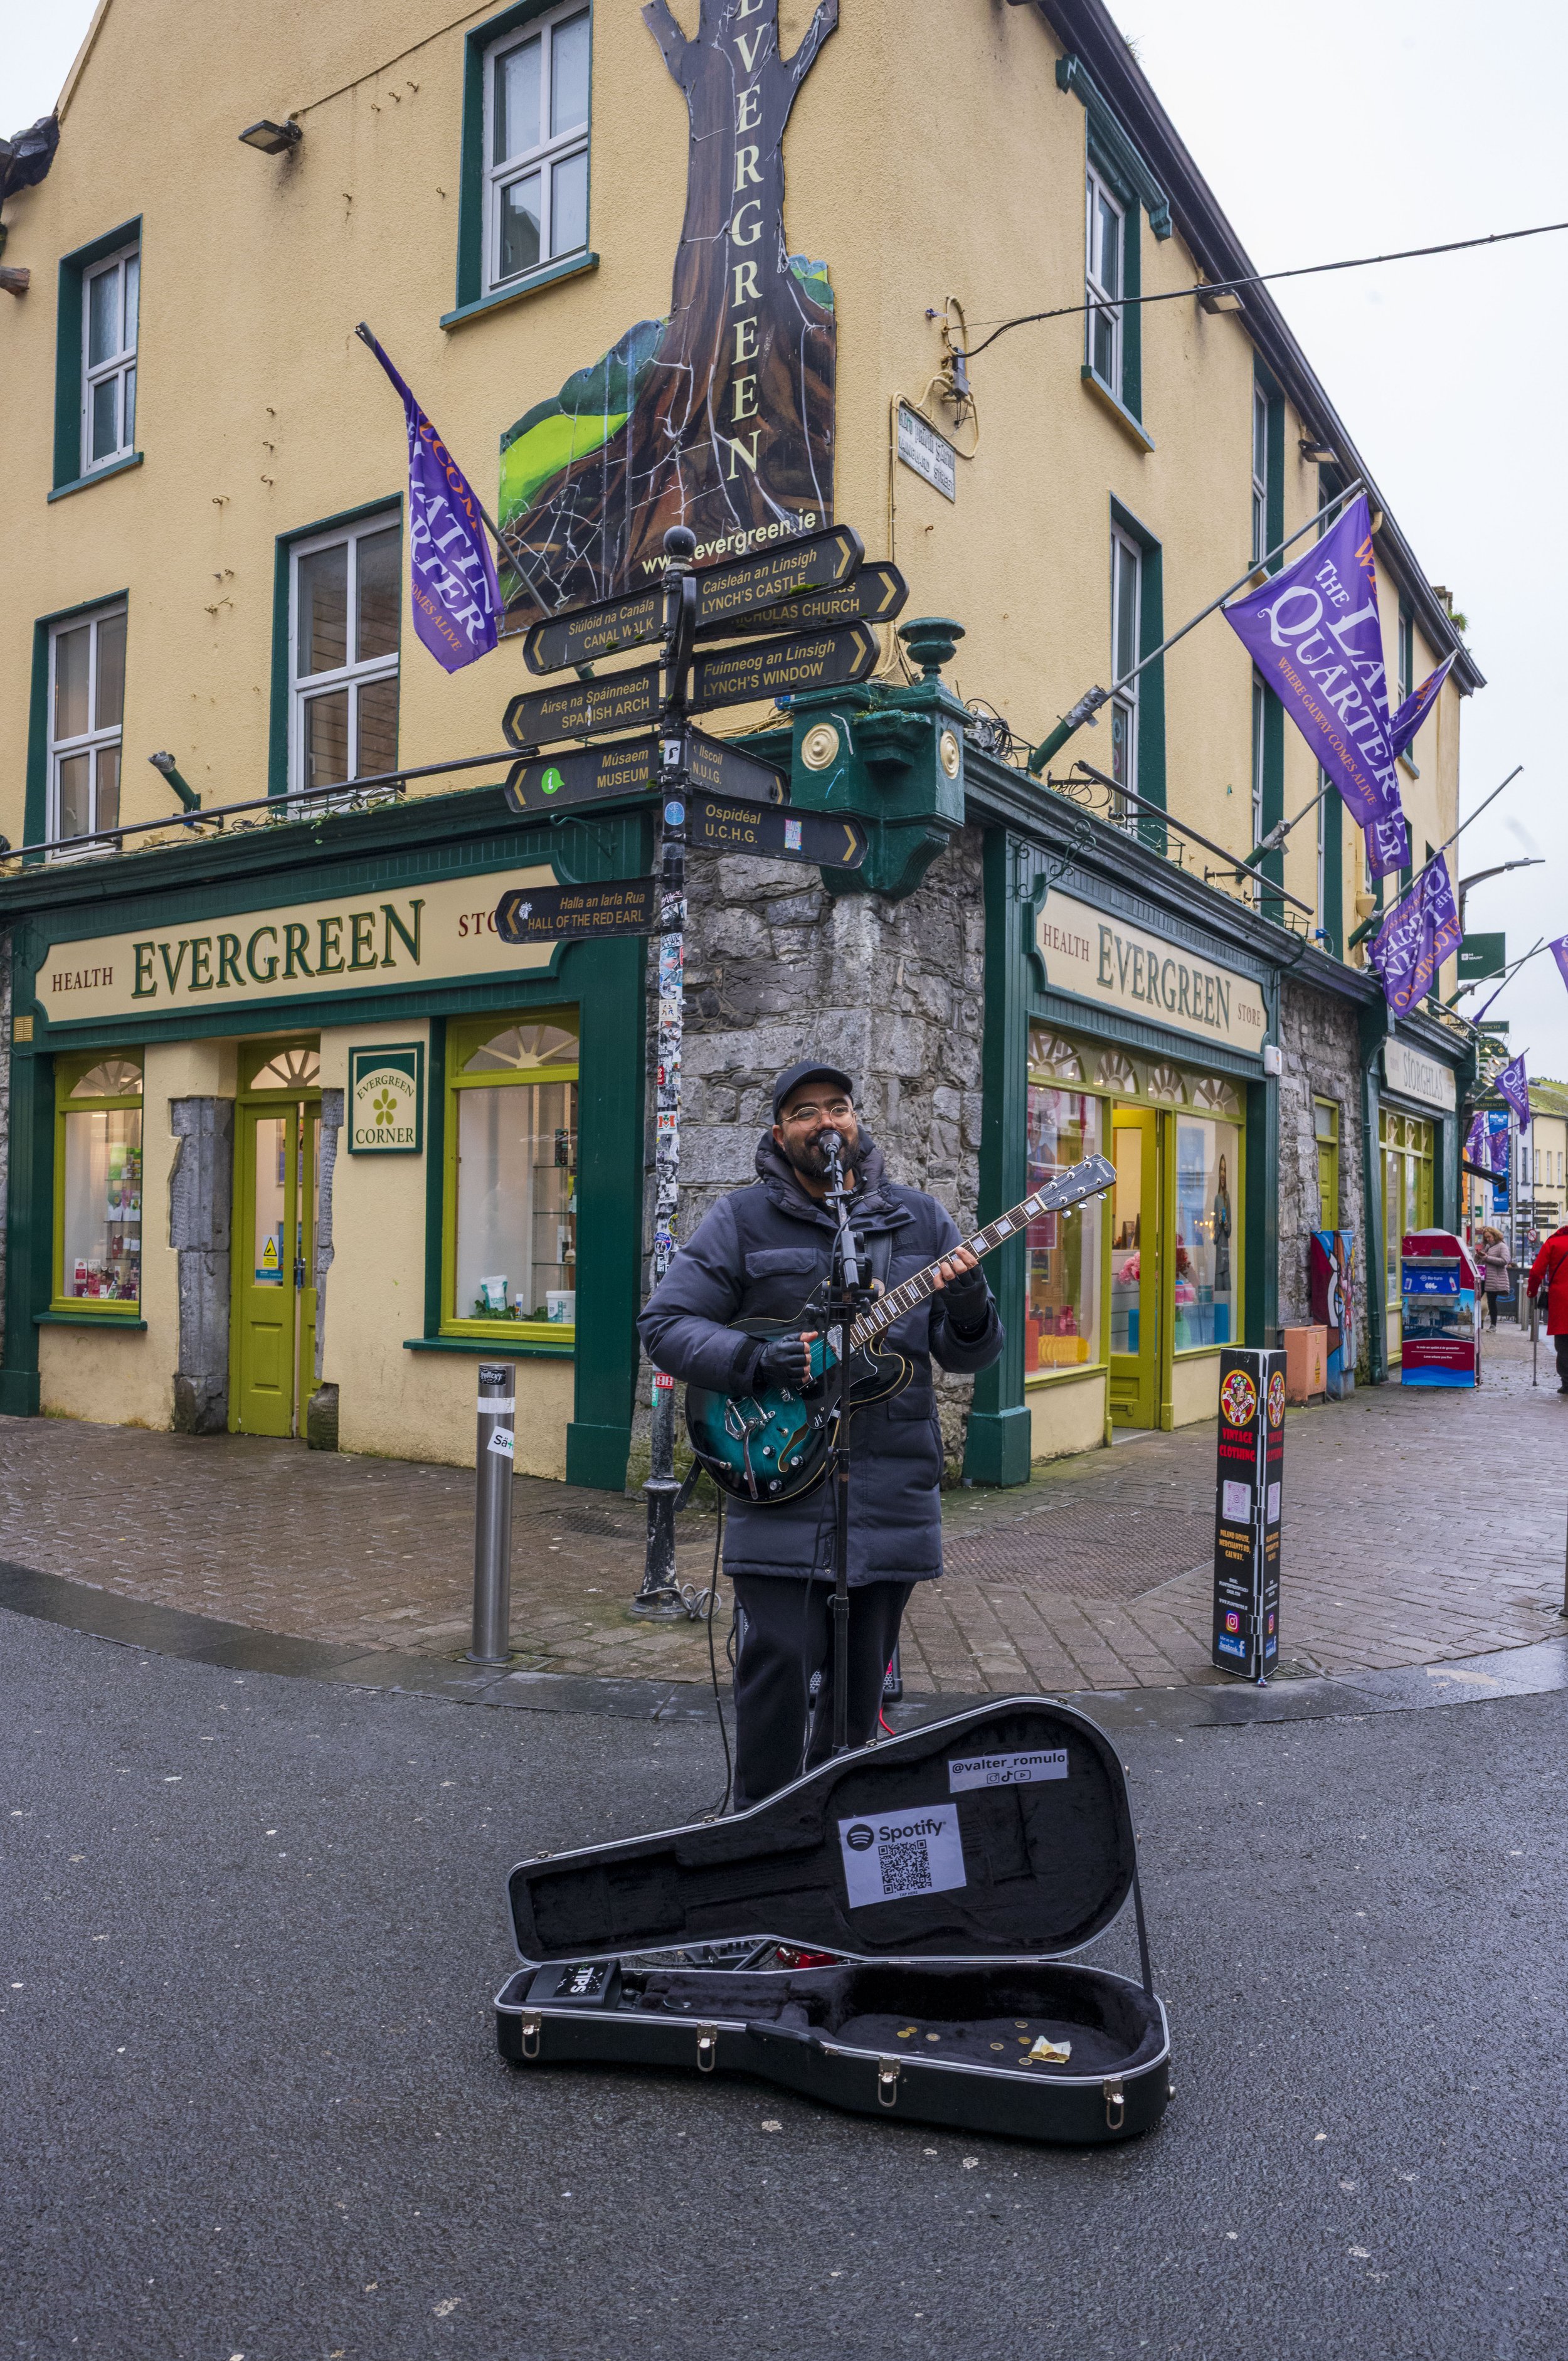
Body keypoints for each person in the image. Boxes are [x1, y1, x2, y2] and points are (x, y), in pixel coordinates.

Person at [639, 1060, 1002, 1808]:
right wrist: (752, 1358)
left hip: (889, 1487)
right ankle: (758, 1823)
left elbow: (968, 1352)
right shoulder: (740, 1220)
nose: (824, 1122)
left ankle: (834, 1829)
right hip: (775, 1472)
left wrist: (969, 1301)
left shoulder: (919, 1220)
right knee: (777, 1659)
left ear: (856, 1121)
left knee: (858, 1681)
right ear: (780, 1132)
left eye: (837, 1106)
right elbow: (666, 1326)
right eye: (804, 1112)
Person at [1527, 1219, 1568, 1393]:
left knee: (1564, 1341)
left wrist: (1532, 1291)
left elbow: (1537, 1271)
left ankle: (1567, 1382)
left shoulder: (1553, 1243)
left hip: (1561, 1299)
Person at [1478, 1226, 1511, 1329]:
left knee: (1491, 1302)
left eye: (1490, 1237)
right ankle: (1480, 1322)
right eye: (1486, 1238)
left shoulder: (1502, 1246)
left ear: (1495, 1235)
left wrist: (1487, 1258)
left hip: (1494, 1278)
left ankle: (1493, 1325)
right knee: (1477, 1299)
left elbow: (1505, 1261)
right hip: (1484, 1277)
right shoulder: (1487, 1246)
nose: (1488, 1239)